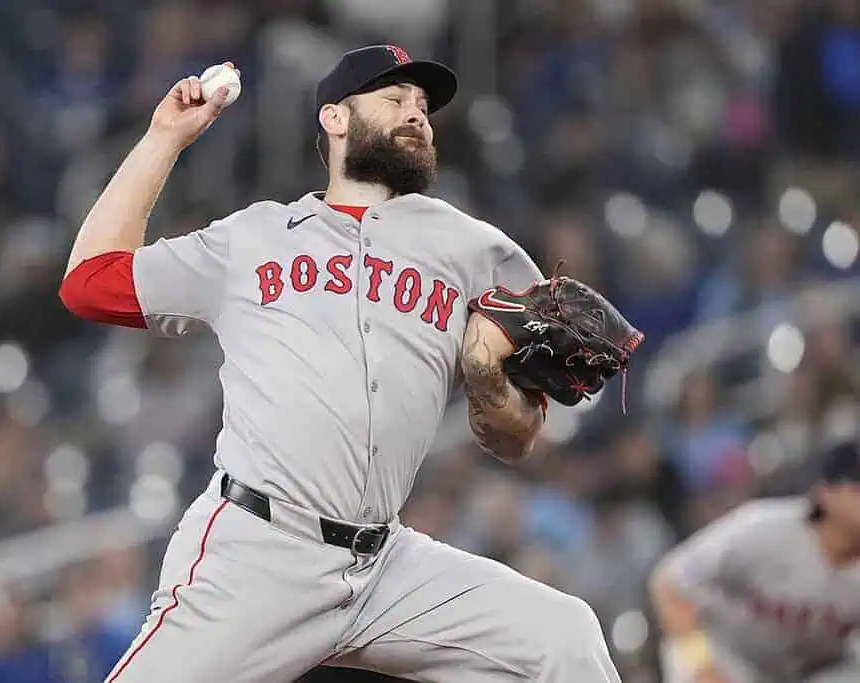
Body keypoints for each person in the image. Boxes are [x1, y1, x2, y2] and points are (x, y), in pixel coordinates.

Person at [60, 45, 620, 683]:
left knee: (563, 638)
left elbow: (515, 440)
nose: (416, 113)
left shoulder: (476, 250)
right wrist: (164, 139)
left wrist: (491, 384)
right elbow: (88, 283)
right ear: (335, 118)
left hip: (385, 566)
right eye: (394, 99)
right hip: (260, 551)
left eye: (423, 106)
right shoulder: (254, 237)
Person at [649, 440, 860, 683]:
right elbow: (669, 583)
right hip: (721, 656)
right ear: (826, 492)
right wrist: (702, 665)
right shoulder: (765, 529)